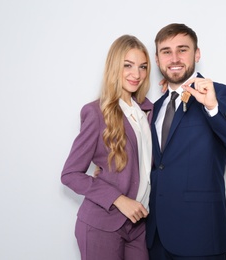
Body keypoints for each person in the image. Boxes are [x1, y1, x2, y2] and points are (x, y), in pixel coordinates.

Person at [146, 23, 226, 260]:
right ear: (157, 59)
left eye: (183, 49)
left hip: (201, 237)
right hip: (156, 238)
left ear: (197, 54)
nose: (174, 57)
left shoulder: (220, 95)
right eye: (166, 51)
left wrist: (213, 107)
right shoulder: (155, 108)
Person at [61, 35, 153, 260]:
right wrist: (118, 199)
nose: (136, 74)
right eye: (128, 65)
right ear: (114, 66)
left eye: (142, 67)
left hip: (139, 226)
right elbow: (70, 174)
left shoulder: (149, 112)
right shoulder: (96, 112)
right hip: (101, 224)